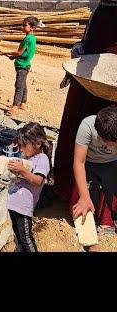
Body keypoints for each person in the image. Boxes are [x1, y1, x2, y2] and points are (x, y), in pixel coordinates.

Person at [53, 0, 117, 231]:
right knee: (74, 136)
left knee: (99, 147)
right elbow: (91, 39)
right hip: (86, 85)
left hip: (107, 92)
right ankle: (68, 192)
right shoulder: (103, 7)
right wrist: (80, 49)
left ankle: (97, 210)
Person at [71, 105, 117, 251]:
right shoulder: (87, 126)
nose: (109, 145)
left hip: (112, 163)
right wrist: (84, 197)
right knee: (87, 202)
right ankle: (91, 242)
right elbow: (79, 162)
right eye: (105, 140)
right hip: (90, 163)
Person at [6, 122, 52, 252]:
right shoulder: (29, 157)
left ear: (37, 144)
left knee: (26, 238)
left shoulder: (42, 158)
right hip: (14, 204)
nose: (21, 149)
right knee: (18, 235)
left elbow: (38, 180)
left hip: (24, 207)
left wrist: (22, 171)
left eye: (24, 146)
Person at [0, 16, 42, 115]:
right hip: (24, 64)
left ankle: (15, 106)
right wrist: (12, 57)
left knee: (18, 85)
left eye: (24, 25)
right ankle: (23, 103)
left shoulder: (28, 39)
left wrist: (5, 53)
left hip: (22, 66)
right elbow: (25, 53)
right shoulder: (32, 38)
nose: (22, 27)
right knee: (23, 84)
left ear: (32, 28)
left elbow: (19, 53)